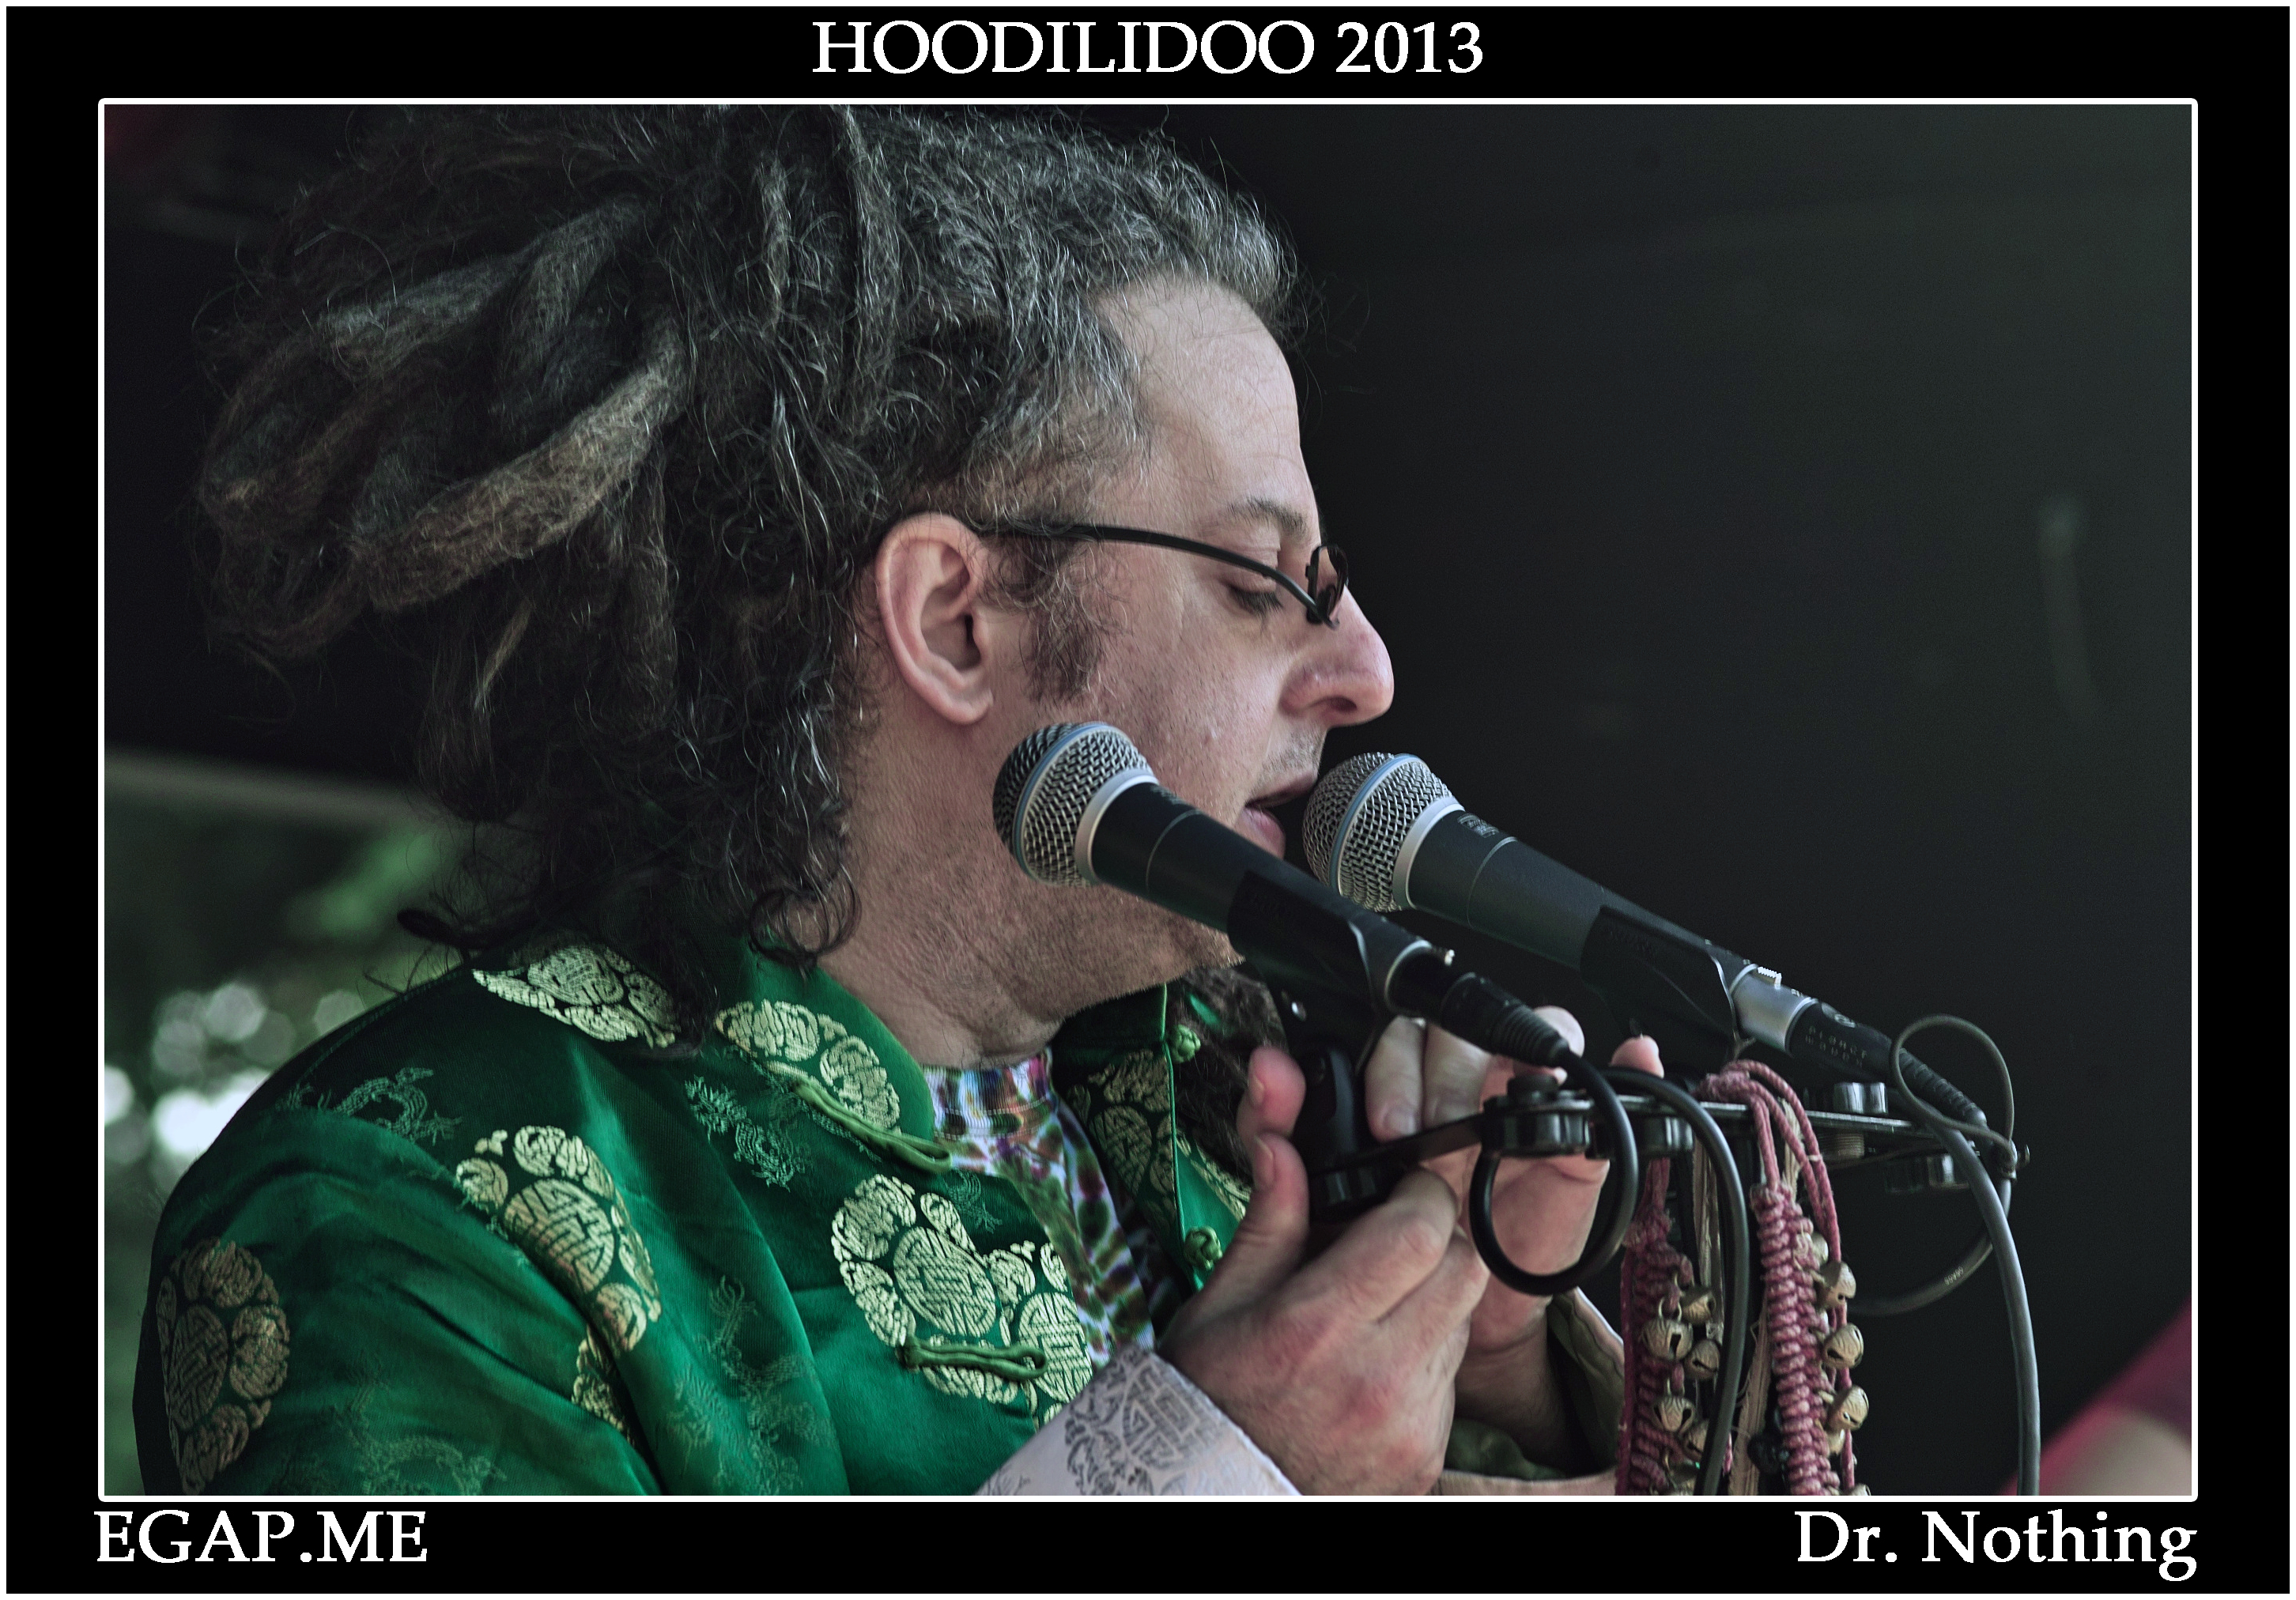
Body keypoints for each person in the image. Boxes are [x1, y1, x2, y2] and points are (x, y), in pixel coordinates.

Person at [136, 106, 1654, 1496]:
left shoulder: (1221, 1111)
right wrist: (1211, 1469)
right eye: (1269, 579)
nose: (1365, 670)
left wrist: (1507, 1371)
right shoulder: (402, 1201)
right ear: (953, 621)